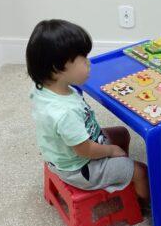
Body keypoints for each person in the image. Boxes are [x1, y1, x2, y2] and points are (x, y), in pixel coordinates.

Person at [26, 19, 149, 201]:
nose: (88, 62)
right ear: (57, 68)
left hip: (68, 151)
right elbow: (85, 150)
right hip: (81, 167)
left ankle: (119, 171)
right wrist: (111, 151)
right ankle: (144, 204)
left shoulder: (44, 88)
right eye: (82, 58)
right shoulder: (64, 113)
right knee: (141, 171)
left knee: (122, 134)